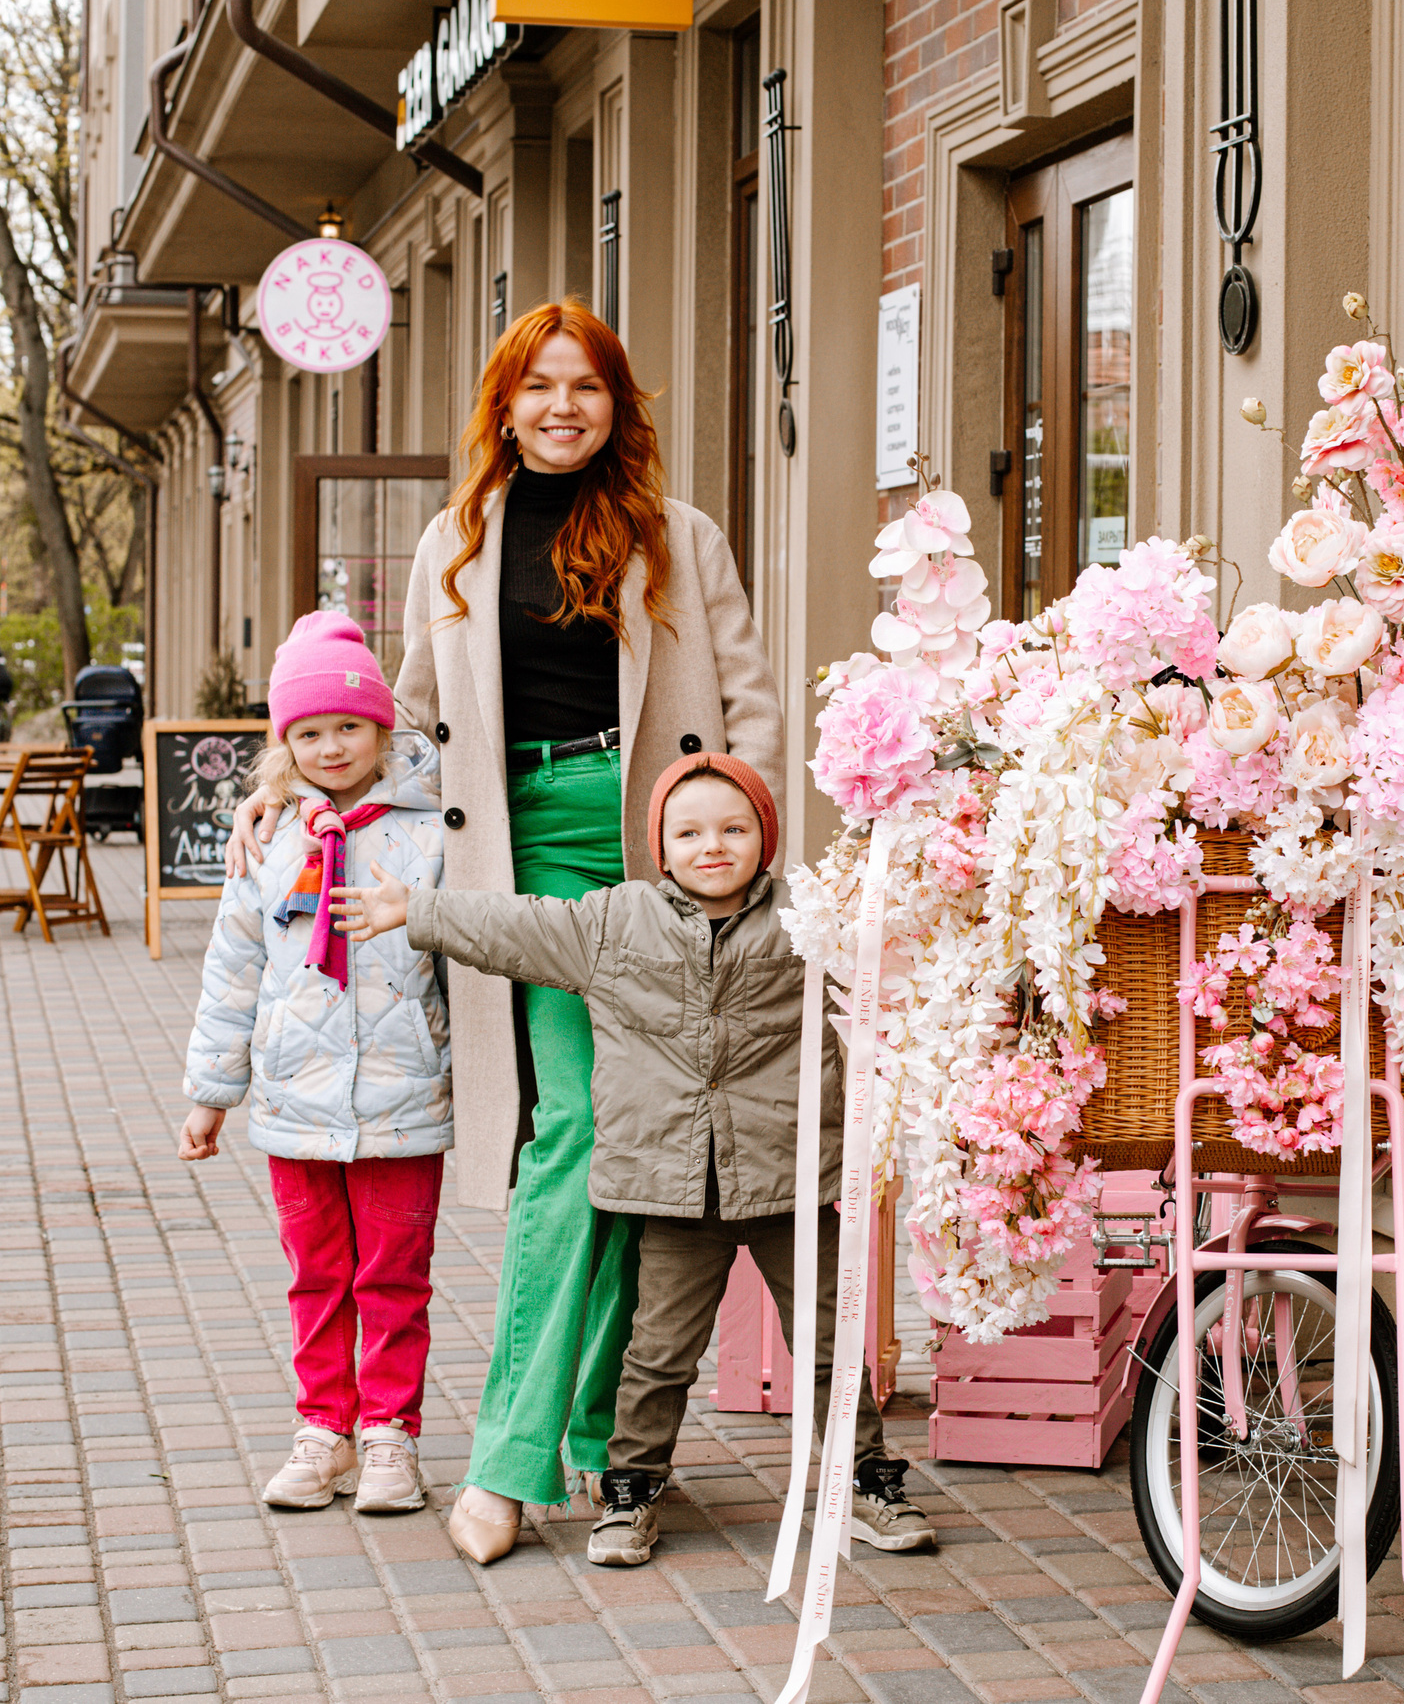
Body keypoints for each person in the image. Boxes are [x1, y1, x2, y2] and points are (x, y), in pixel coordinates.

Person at [227, 299, 783, 1564]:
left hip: (656, 860)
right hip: (516, 868)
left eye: (585, 385)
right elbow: (407, 723)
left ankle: (591, 1433)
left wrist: (732, 857)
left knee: (637, 1157)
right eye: (537, 387)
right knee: (577, 1128)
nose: (561, 408)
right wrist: (290, 778)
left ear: (617, 402)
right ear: (503, 404)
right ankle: (513, 1455)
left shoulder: (678, 539)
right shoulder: (456, 543)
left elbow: (747, 712)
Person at [333, 754, 935, 1567]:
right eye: (688, 831)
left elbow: (894, 947)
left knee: (831, 1340)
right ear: (659, 846)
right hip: (675, 1191)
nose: (711, 846)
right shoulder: (614, 921)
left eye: (734, 828)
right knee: (655, 1356)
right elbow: (516, 925)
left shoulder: (808, 922)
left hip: (791, 1184)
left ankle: (865, 1481)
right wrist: (419, 910)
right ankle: (631, 1491)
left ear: (767, 839)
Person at [179, 611, 455, 1516]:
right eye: (308, 732)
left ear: (383, 725)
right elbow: (233, 966)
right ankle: (323, 1430)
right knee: (317, 1274)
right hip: (295, 1104)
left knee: (394, 1274)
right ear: (284, 742)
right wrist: (212, 1094)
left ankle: (389, 1437)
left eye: (348, 726)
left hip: (402, 1097)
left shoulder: (436, 828)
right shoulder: (270, 837)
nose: (331, 746)